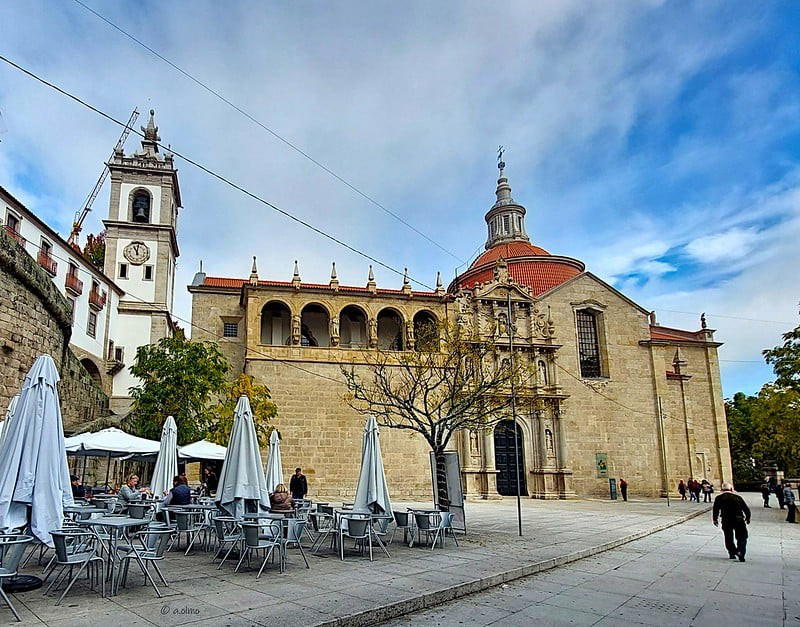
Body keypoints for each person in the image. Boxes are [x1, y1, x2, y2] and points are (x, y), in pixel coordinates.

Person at [713, 482, 751, 562]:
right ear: (731, 489)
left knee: (728, 537)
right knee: (742, 537)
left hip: (726, 520)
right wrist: (748, 518)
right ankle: (740, 551)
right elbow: (746, 509)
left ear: (722, 490)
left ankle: (732, 552)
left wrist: (715, 519)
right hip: (739, 519)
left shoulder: (719, 498)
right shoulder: (737, 497)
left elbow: (715, 509)